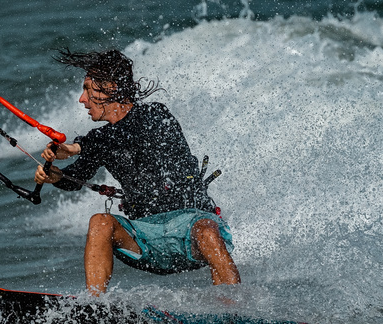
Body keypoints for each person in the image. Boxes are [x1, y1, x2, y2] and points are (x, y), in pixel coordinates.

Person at [34, 48, 240, 295]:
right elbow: (76, 179)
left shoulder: (156, 115)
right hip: (146, 237)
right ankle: (95, 309)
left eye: (88, 90)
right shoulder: (103, 140)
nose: (82, 99)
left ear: (109, 88)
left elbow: (129, 133)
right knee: (100, 222)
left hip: (192, 230)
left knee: (207, 230)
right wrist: (54, 176)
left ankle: (234, 313)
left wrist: (77, 146)